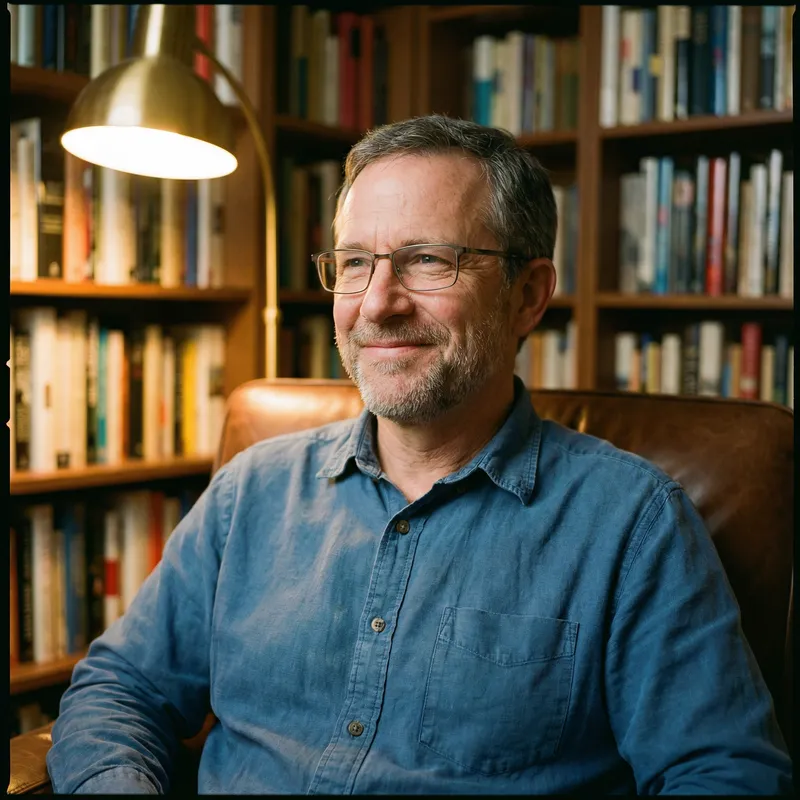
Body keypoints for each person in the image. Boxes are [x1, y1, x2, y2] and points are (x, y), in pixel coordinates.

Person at [47, 115, 792, 794]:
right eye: (354, 263)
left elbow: (725, 776)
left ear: (527, 295)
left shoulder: (632, 525)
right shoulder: (252, 491)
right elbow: (120, 690)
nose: (377, 303)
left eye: (429, 260)